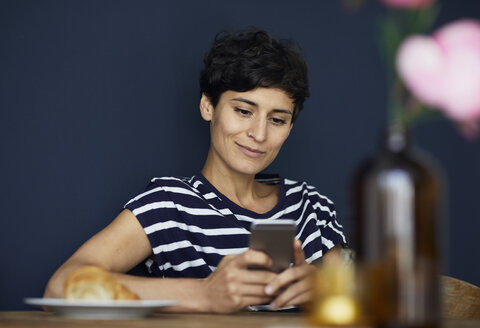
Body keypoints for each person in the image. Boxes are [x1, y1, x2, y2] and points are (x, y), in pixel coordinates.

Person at [43, 28, 347, 313]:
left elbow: (368, 301)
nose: (259, 134)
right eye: (243, 111)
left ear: (290, 126)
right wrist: (204, 293)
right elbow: (59, 287)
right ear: (207, 106)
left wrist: (326, 289)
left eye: (277, 120)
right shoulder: (168, 204)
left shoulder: (311, 205)